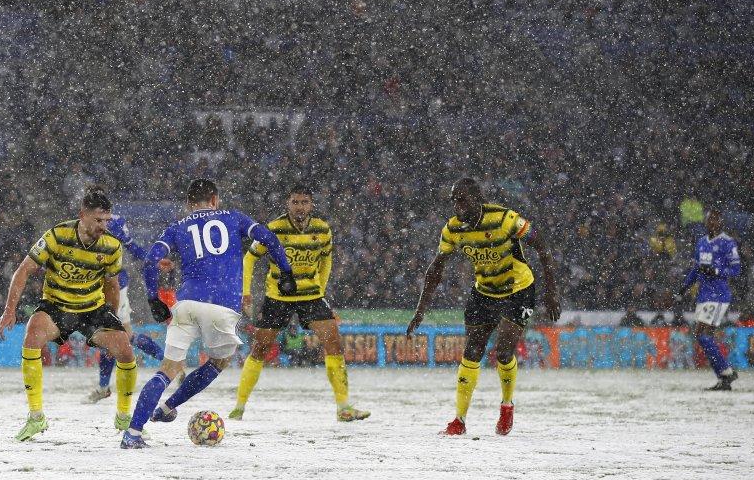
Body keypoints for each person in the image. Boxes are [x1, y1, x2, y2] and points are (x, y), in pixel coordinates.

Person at [121, 178, 296, 449]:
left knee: (167, 370)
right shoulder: (234, 217)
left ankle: (132, 432)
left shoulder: (177, 227)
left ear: (189, 204)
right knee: (218, 362)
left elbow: (151, 261)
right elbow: (269, 239)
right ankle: (169, 406)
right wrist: (285, 271)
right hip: (222, 306)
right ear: (215, 199)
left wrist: (153, 297)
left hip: (187, 303)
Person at [406, 178, 560, 436]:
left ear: (478, 199)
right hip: (485, 291)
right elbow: (435, 270)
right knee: (472, 351)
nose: (457, 206)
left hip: (518, 289)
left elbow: (541, 244)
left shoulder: (505, 219)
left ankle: (507, 405)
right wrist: (420, 311)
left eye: (462, 199)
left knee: (503, 352)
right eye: (454, 200)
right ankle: (459, 420)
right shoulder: (453, 229)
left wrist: (551, 291)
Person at [0, 186, 138, 441]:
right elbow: (23, 270)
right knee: (32, 336)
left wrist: (113, 320)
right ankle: (36, 417)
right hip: (57, 306)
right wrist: (9, 310)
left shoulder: (111, 247)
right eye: (98, 220)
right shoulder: (56, 235)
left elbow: (112, 285)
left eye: (106, 220)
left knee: (125, 350)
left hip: (93, 309)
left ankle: (124, 417)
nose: (103, 226)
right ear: (82, 215)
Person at [231, 184, 370, 422]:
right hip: (278, 297)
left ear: (311, 205)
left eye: (304, 202)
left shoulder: (322, 229)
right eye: (295, 202)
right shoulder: (274, 229)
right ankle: (239, 407)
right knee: (260, 349)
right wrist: (246, 292)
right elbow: (249, 258)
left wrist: (322, 290)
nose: (300, 207)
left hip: (311, 296)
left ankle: (344, 407)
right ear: (288, 204)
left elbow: (326, 261)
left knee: (334, 343)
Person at [84, 211, 166, 403]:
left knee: (115, 337)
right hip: (100, 284)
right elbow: (133, 247)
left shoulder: (107, 223)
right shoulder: (109, 221)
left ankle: (104, 387)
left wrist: (152, 259)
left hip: (113, 285)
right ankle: (167, 360)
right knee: (118, 337)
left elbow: (132, 247)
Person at [678, 209, 741, 390]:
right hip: (704, 295)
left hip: (719, 294)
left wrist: (716, 271)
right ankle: (724, 377)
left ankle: (727, 372)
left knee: (704, 335)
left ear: (720, 222)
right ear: (705, 222)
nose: (712, 222)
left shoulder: (728, 243)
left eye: (716, 219)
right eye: (709, 219)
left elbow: (736, 270)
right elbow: (697, 269)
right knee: (700, 336)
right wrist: (684, 287)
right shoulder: (701, 243)